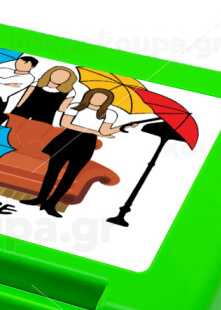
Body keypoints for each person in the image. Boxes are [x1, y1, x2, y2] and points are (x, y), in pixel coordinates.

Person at [21, 88, 136, 217]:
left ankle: (51, 204)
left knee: (70, 176)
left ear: (107, 101)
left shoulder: (110, 113)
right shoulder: (75, 107)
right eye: (96, 96)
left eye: (103, 99)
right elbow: (65, 123)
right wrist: (94, 131)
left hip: (86, 144)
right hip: (65, 139)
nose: (98, 100)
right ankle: (40, 199)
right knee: (52, 172)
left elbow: (104, 131)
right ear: (89, 96)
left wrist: (123, 127)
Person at [11, 66, 77, 124]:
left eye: (63, 77)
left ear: (68, 80)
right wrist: (17, 108)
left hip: (45, 116)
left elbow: (61, 109)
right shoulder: (36, 84)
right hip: (24, 109)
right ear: (50, 73)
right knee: (12, 126)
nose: (58, 78)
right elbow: (24, 97)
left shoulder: (70, 92)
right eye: (56, 74)